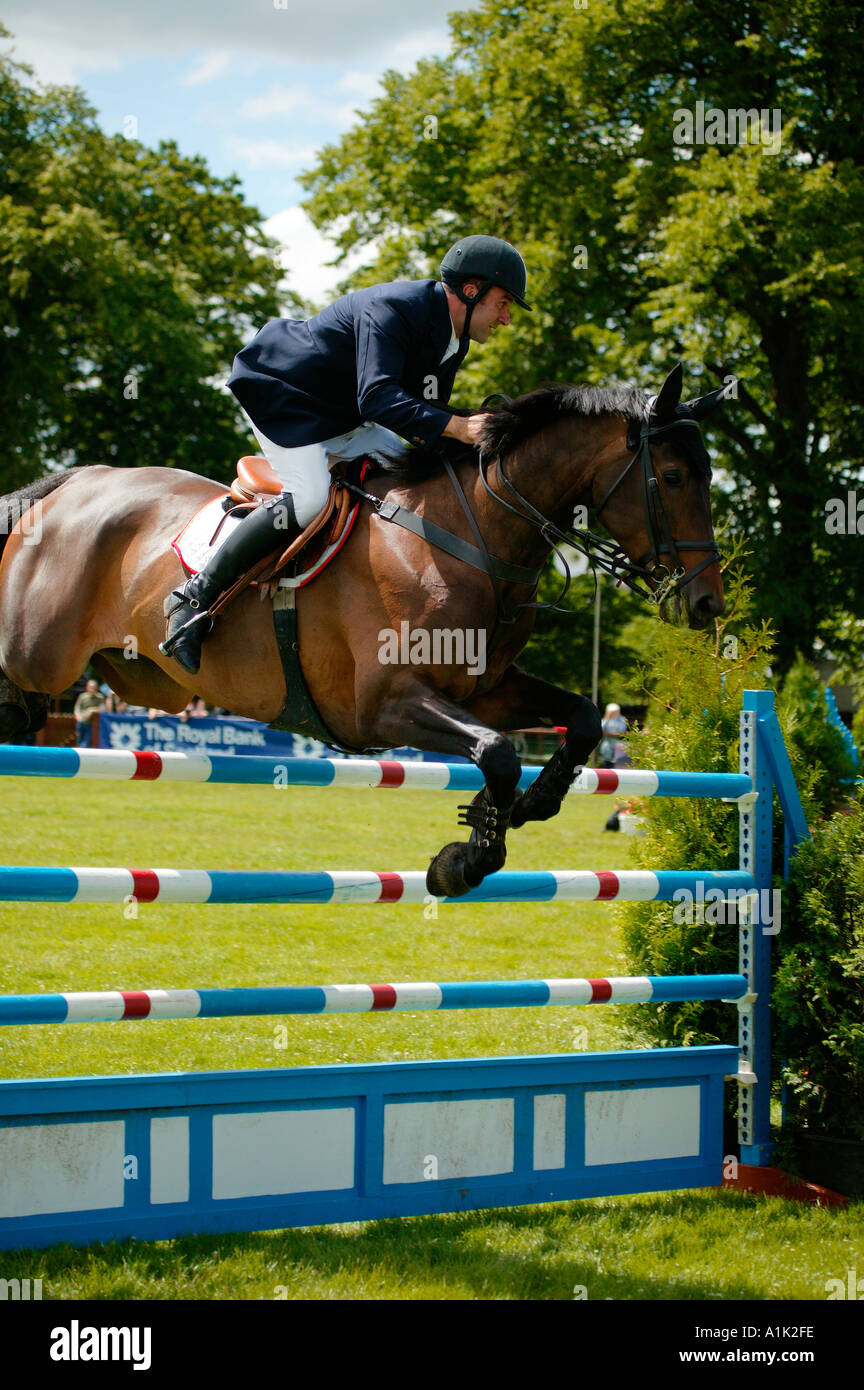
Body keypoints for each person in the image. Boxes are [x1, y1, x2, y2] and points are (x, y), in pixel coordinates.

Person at [159, 235, 530, 675]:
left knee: (406, 480)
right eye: (503, 302)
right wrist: (456, 426)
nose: (506, 318)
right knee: (311, 498)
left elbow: (419, 419)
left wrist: (489, 431)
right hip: (287, 398)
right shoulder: (396, 307)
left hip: (347, 417)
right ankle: (193, 596)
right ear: (471, 291)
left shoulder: (454, 339)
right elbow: (378, 397)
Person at [73, 679, 105, 747]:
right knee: (79, 740)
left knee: (87, 742)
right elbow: (77, 708)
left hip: (91, 723)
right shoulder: (82, 696)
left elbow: (103, 709)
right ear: (87, 687)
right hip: (81, 721)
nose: (92, 689)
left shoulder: (100, 697)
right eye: (91, 687)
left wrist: (93, 710)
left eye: (94, 687)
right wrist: (78, 716)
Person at [598, 703, 628, 768]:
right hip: (607, 744)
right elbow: (600, 729)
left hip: (617, 744)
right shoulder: (605, 720)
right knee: (606, 762)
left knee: (617, 763)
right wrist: (607, 718)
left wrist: (612, 733)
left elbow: (622, 730)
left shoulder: (622, 719)